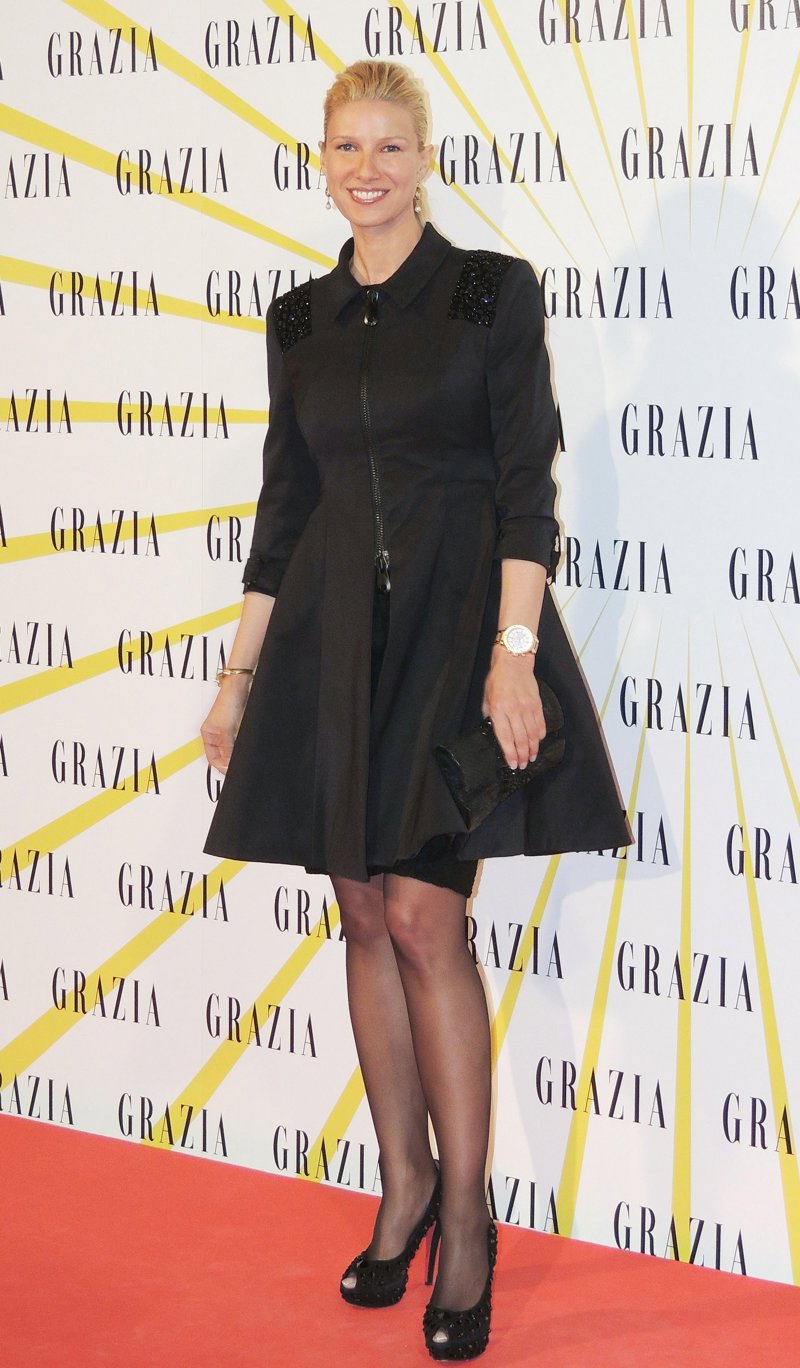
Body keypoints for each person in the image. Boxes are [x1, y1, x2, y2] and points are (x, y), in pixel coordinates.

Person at [201, 59, 631, 1362]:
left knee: (424, 917)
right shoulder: (300, 320)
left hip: (455, 640)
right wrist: (238, 678)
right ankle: (404, 1186)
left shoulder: (489, 292)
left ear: (425, 158)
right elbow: (286, 509)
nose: (367, 169)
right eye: (347, 146)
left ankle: (470, 1222)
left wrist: (513, 653)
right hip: (330, 648)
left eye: (390, 145)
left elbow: (524, 488)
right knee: (359, 913)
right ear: (322, 160)